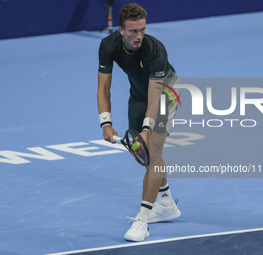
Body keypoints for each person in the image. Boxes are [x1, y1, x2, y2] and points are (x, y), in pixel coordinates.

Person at [97, 3, 181, 242]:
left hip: (165, 93)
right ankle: (165, 202)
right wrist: (106, 122)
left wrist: (146, 129)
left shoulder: (154, 50)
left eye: (142, 30)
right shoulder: (108, 46)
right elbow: (103, 88)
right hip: (137, 95)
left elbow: (155, 97)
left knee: (152, 149)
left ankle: (142, 220)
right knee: (147, 155)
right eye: (133, 31)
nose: (139, 35)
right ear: (121, 31)